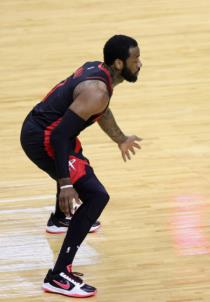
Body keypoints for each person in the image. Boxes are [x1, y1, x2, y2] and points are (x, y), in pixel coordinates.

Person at [20, 34, 142, 297]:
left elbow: (100, 111)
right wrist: (65, 184)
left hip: (43, 129)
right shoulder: (97, 91)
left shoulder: (99, 72)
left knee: (78, 165)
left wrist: (120, 139)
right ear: (119, 64)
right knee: (96, 196)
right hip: (44, 139)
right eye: (136, 59)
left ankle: (60, 218)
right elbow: (59, 137)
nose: (140, 64)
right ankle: (58, 275)